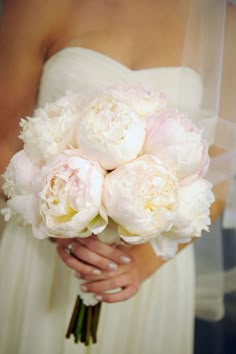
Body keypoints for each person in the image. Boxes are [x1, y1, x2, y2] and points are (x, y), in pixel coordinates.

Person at [0, 1, 234, 353]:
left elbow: (222, 170)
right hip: (41, 253)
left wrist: (141, 263)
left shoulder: (222, 20)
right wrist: (63, 225)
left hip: (147, 268)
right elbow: (3, 139)